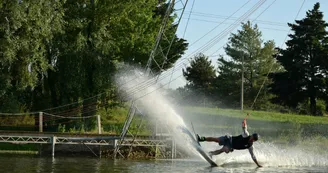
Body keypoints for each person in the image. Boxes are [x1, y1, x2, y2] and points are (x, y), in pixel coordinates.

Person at [196, 119, 262, 167]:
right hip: (229, 138)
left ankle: (211, 153)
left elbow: (253, 156)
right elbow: (244, 128)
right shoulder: (246, 135)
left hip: (230, 146)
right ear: (252, 136)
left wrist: (258, 164)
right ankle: (201, 139)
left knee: (225, 149)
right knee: (216, 139)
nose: (251, 139)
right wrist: (244, 122)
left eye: (253, 139)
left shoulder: (250, 146)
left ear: (254, 140)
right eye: (252, 137)